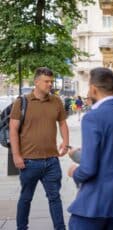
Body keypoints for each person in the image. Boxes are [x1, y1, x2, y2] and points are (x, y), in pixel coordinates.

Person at [67, 67, 113, 230]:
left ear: (93, 88)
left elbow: (88, 169)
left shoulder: (92, 118)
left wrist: (74, 172)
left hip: (94, 203)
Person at [9, 67, 69, 230]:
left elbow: (62, 122)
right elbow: (13, 129)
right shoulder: (21, 102)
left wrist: (65, 141)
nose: (50, 84)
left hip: (52, 161)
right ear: (36, 82)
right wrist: (16, 155)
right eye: (46, 81)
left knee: (55, 197)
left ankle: (60, 228)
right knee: (26, 198)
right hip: (28, 162)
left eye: (51, 81)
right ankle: (22, 228)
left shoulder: (56, 101)